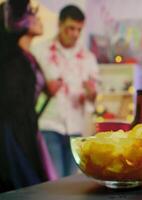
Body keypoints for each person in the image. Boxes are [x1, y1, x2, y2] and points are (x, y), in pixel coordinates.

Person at [32, 5, 98, 178]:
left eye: (79, 29)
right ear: (60, 25)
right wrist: (45, 89)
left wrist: (91, 93)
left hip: (76, 126)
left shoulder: (88, 57)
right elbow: (27, 90)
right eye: (70, 28)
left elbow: (94, 96)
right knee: (53, 179)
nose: (75, 34)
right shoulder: (39, 50)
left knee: (70, 179)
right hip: (48, 123)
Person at [0, 0, 60, 191]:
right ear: (20, 21)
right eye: (32, 14)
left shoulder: (26, 57)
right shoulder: (13, 60)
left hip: (26, 129)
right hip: (15, 135)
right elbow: (13, 103)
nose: (39, 19)